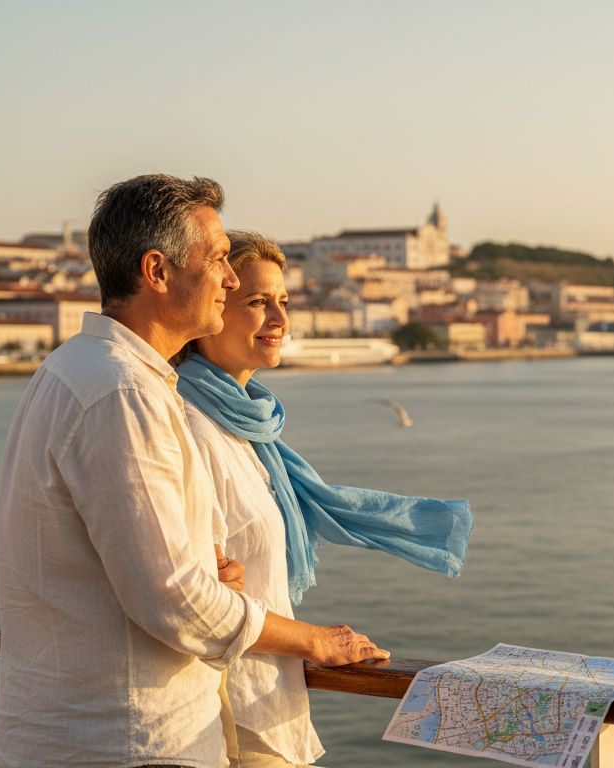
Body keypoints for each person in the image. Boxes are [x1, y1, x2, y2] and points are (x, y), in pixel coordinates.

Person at [0, 176, 388, 768]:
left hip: (70, 736)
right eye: (221, 261)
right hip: (129, 742)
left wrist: (202, 570)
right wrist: (314, 639)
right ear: (157, 270)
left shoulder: (73, 369)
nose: (231, 280)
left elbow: (144, 566)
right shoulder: (124, 394)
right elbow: (173, 598)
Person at [175, 231, 473, 767]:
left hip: (270, 702)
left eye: (284, 302)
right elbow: (197, 600)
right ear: (210, 308)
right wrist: (318, 641)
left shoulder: (253, 430)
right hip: (227, 719)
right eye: (257, 302)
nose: (280, 320)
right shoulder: (189, 430)